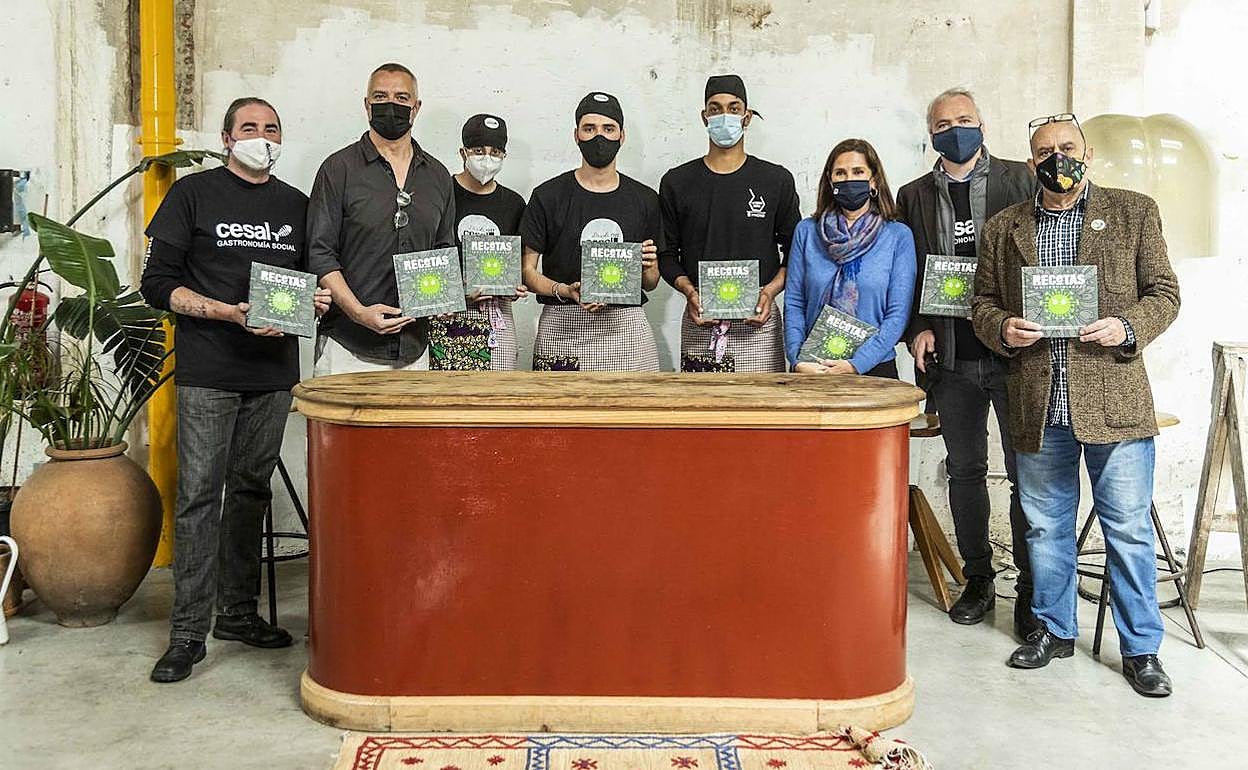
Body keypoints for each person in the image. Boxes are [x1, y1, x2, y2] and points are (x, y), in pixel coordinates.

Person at [972, 114, 1180, 697]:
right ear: (1030, 161)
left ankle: (1141, 649)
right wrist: (1002, 328)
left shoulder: (1134, 211)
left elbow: (1164, 293)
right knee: (1045, 528)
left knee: (1128, 531)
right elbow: (981, 302)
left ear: (1086, 154)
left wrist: (1127, 326)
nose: (1056, 158)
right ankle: (1054, 630)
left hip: (1114, 400)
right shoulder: (1005, 226)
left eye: (1067, 147)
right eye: (1044, 151)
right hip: (1039, 402)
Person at [140, 97, 331, 683]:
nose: (262, 137)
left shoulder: (297, 205)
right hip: (210, 370)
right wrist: (225, 312)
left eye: (272, 128)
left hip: (272, 373)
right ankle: (186, 634)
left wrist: (318, 301)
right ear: (227, 138)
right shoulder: (192, 195)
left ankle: (238, 613)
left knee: (250, 491)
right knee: (200, 496)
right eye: (249, 128)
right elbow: (156, 283)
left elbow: (311, 279)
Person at [896, 88, 1038, 634]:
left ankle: (1031, 588)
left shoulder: (1021, 180)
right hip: (951, 359)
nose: (954, 129)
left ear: (982, 124)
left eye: (964, 119)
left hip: (1015, 355)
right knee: (965, 471)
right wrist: (916, 327)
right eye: (942, 124)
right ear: (930, 133)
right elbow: (907, 273)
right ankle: (978, 578)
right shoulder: (913, 195)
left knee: (1027, 475)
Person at [307, 62, 455, 375]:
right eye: (380, 97)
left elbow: (443, 249)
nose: (391, 105)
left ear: (416, 108)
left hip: (414, 349)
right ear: (366, 105)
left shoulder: (439, 176)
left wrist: (442, 301)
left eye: (401, 98)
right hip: (347, 347)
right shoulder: (338, 169)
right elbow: (320, 253)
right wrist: (357, 312)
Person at [658, 74, 800, 372]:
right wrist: (690, 292)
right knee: (703, 403)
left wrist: (770, 292)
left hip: (759, 322)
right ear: (704, 117)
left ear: (747, 117)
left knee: (764, 403)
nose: (725, 116)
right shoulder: (677, 182)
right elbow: (667, 255)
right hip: (701, 319)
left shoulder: (775, 180)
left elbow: (796, 253)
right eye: (716, 108)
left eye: (734, 108)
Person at [520, 92, 662, 371]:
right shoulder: (548, 196)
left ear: (622, 136)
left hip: (626, 330)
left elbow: (651, 282)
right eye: (589, 128)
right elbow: (527, 270)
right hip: (562, 326)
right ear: (576, 135)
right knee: (559, 402)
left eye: (608, 129)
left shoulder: (645, 199)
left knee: (633, 401)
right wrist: (563, 290)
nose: (599, 137)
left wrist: (650, 265)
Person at [784, 139, 915, 378]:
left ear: (873, 180)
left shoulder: (897, 235)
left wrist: (856, 364)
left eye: (858, 172)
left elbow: (898, 314)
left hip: (875, 368)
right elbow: (794, 302)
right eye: (840, 173)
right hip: (813, 368)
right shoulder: (807, 231)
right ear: (830, 180)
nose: (848, 179)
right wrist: (796, 359)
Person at [431, 113, 528, 370]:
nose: (487, 158)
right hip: (445, 318)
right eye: (478, 151)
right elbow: (421, 257)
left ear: (504, 155)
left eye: (495, 152)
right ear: (463, 152)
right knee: (446, 394)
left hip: (497, 320)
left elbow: (518, 267)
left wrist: (515, 287)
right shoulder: (439, 194)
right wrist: (458, 291)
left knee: (497, 394)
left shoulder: (514, 204)